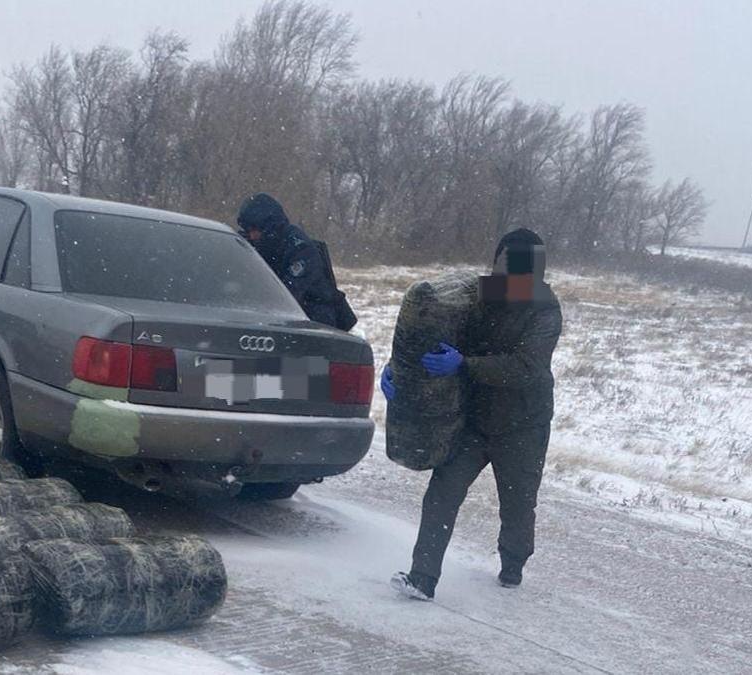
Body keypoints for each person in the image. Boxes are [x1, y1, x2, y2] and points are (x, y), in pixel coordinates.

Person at [383, 229, 562, 600]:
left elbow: (525, 367)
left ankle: (512, 565)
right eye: (502, 265)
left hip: (523, 425)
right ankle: (422, 577)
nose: (507, 275)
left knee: (517, 504)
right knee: (442, 493)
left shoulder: (544, 308)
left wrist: (464, 364)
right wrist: (398, 370)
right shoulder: (479, 295)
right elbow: (435, 329)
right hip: (475, 420)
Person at [236, 193, 355, 330]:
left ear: (269, 226)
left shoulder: (299, 248)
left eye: (255, 230)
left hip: (315, 322)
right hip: (282, 321)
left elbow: (287, 294)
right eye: (248, 230)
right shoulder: (258, 244)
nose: (252, 236)